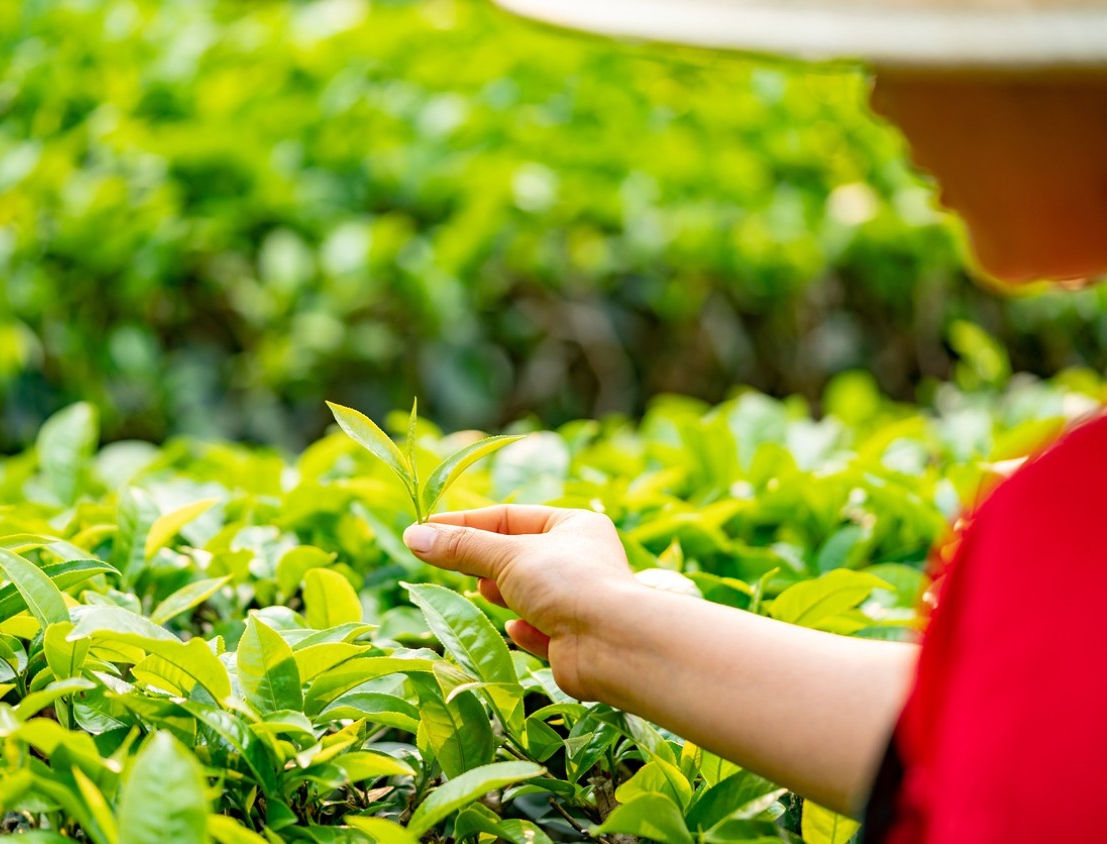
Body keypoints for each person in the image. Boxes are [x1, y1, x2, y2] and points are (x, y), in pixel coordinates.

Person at [402, 0, 1107, 840]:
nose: (880, 97)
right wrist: (608, 627)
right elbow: (1004, 747)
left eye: (927, 48)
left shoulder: (1071, 518)